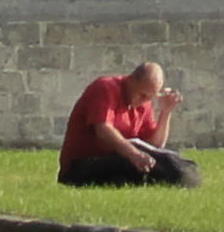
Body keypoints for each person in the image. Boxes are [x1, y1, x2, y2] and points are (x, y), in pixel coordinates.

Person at [57, 61, 197, 188]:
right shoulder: (105, 88)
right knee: (130, 163)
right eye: (142, 95)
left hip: (119, 158)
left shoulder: (144, 103)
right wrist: (133, 154)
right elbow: (103, 129)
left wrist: (166, 112)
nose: (145, 100)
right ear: (131, 80)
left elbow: (155, 145)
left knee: (168, 163)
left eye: (150, 97)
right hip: (82, 165)